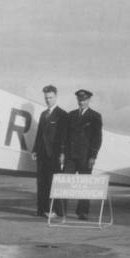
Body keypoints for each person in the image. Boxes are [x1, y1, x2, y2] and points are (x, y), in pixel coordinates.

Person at [63, 89, 103, 220]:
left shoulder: (95, 116)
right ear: (77, 100)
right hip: (70, 156)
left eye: (84, 100)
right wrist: (63, 153)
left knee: (85, 185)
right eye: (80, 100)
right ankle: (61, 210)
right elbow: (65, 137)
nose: (82, 102)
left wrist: (93, 156)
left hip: (85, 156)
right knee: (65, 183)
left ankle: (83, 211)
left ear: (89, 100)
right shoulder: (71, 115)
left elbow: (97, 138)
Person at [31, 85, 68, 218]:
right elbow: (39, 134)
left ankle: (55, 210)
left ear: (56, 97)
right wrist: (35, 149)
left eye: (51, 97)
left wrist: (63, 153)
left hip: (54, 155)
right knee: (41, 182)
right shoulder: (43, 114)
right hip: (42, 154)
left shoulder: (62, 115)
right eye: (46, 98)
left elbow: (64, 136)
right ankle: (41, 210)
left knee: (53, 183)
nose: (48, 100)